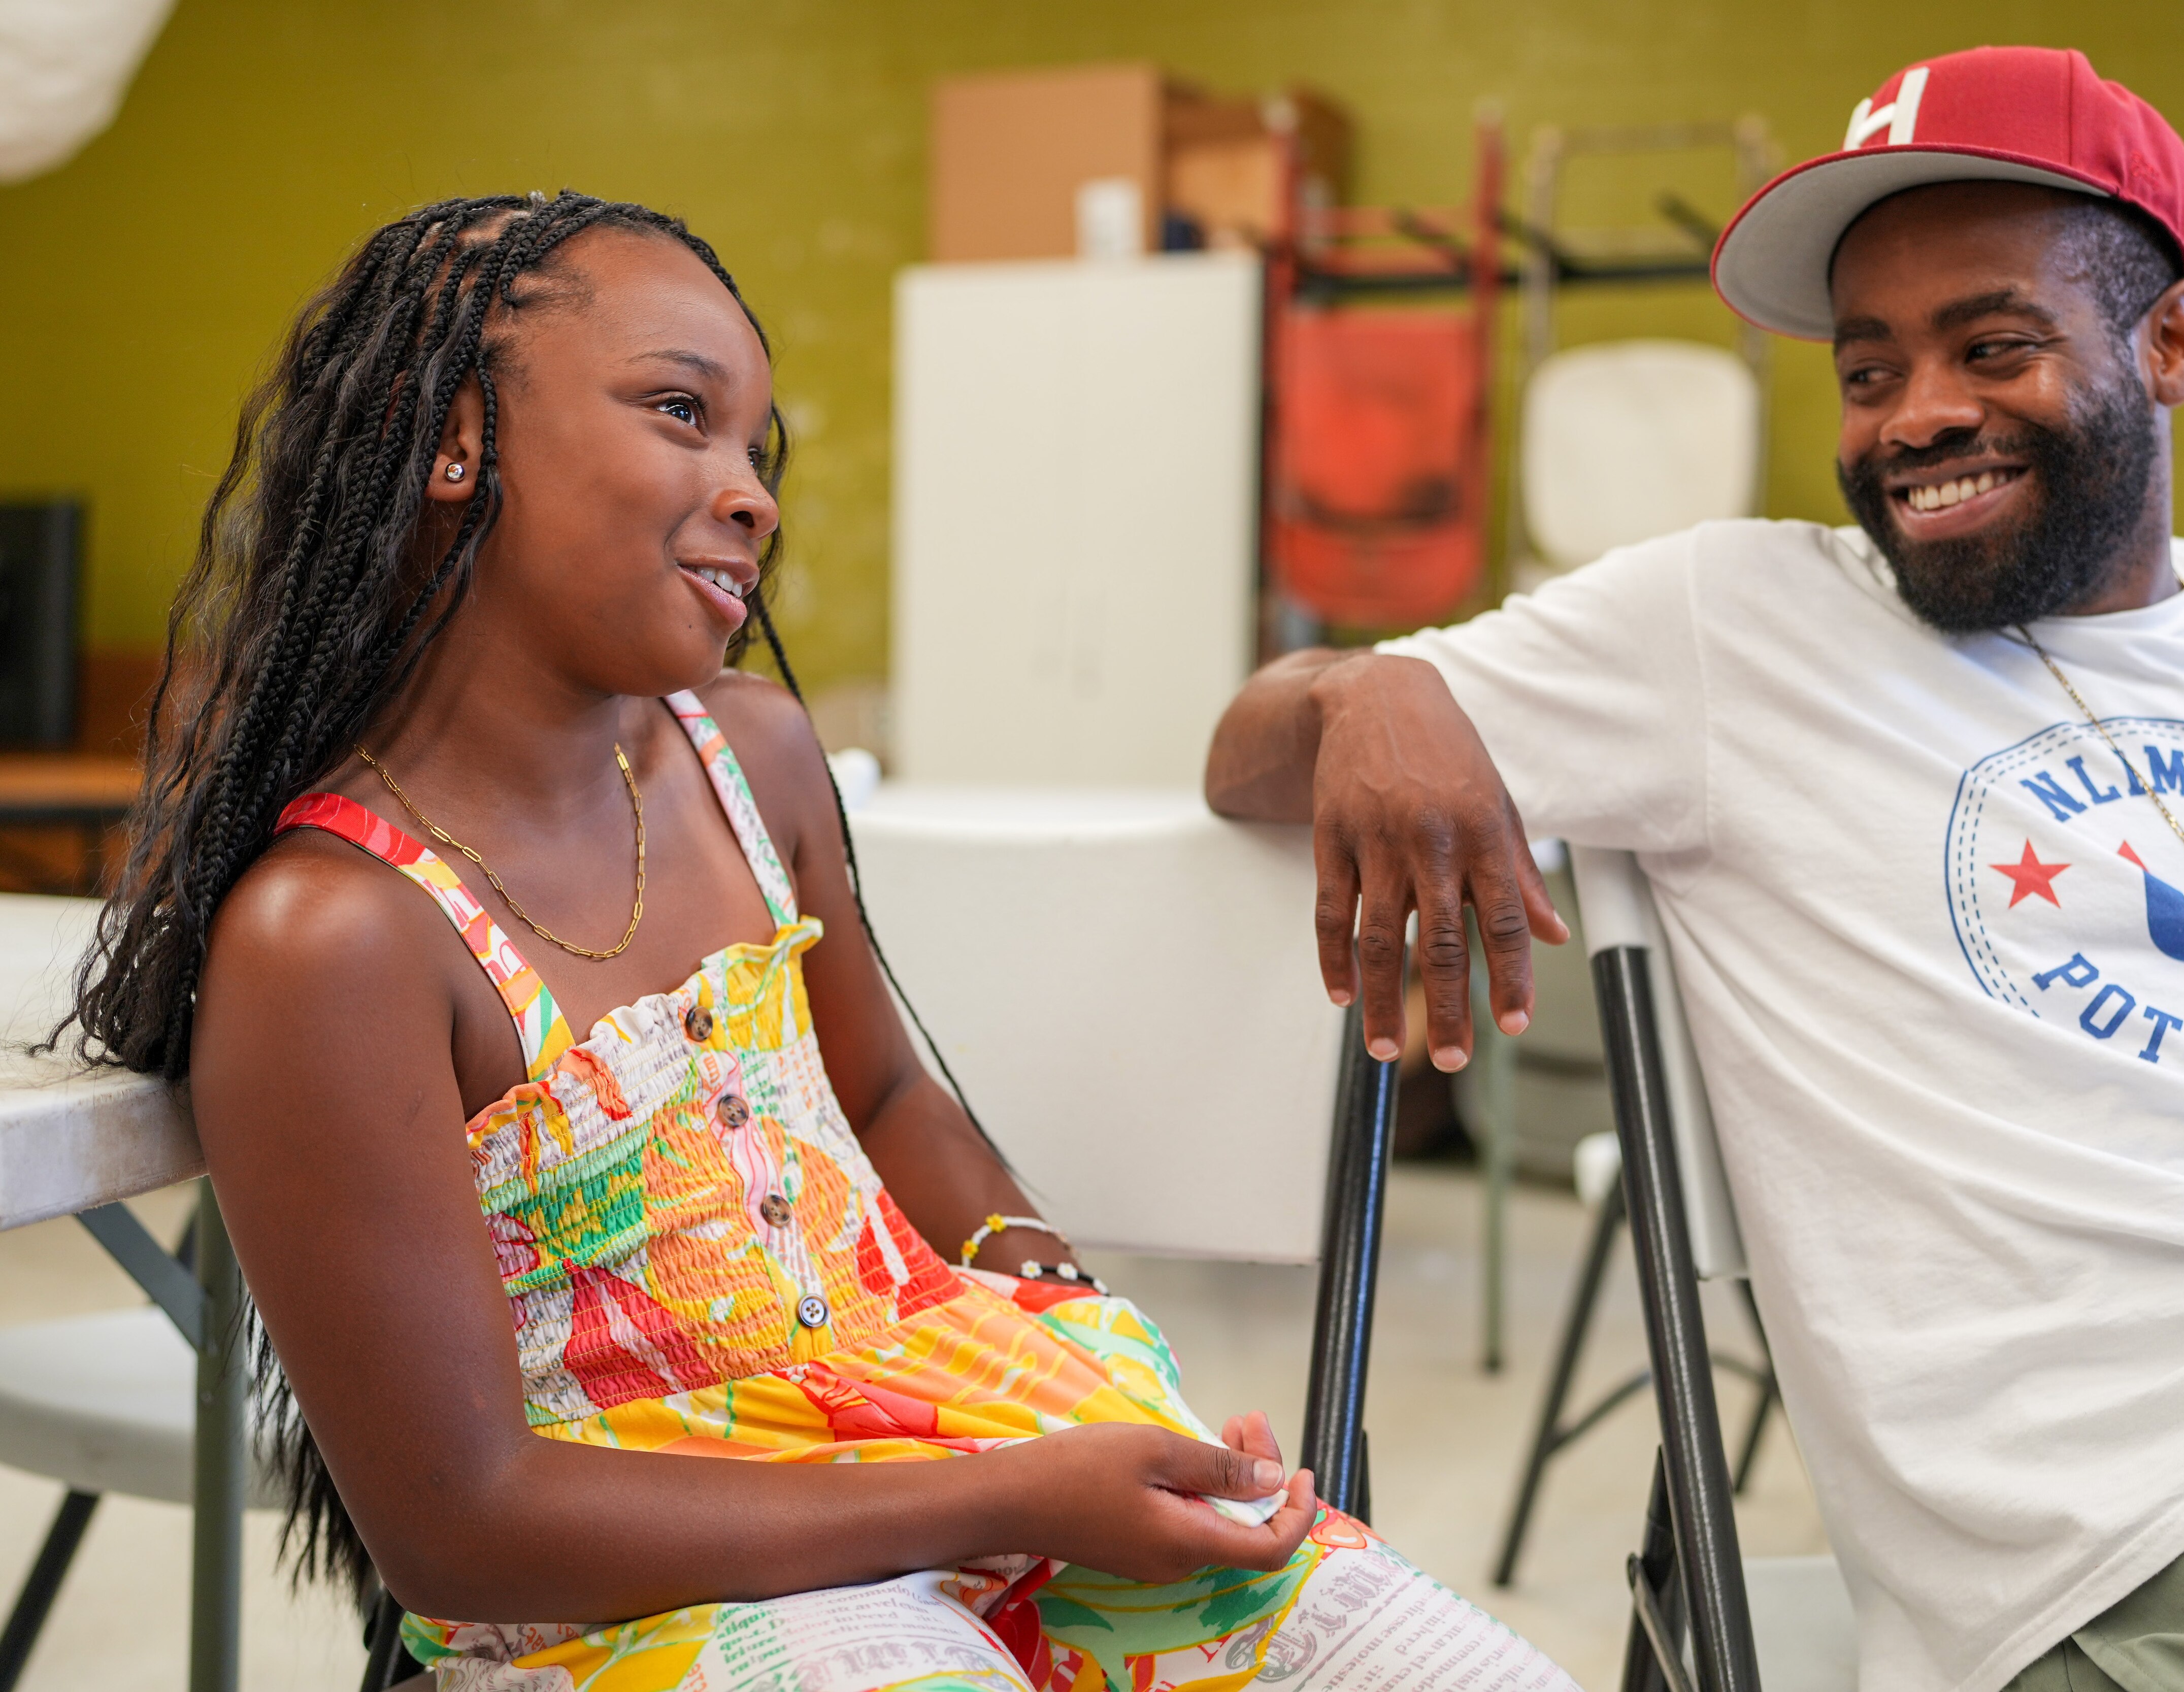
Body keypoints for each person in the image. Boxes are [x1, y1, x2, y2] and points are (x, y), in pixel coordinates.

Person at [64, 193, 1576, 1692]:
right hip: (628, 1576)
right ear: (452, 434)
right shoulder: (336, 934)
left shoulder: (750, 759)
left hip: (937, 1426)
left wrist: (1072, 1342)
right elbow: (462, 1527)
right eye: (680, 413)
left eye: (757, 451)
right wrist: (1008, 1495)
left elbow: (889, 1101)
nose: (752, 494)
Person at [1208, 46, 2184, 1692]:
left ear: (2171, 342)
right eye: (1866, 371)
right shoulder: (1733, 626)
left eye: (1993, 345)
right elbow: (1243, 749)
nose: (1918, 419)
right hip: (2143, 1553)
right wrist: (1379, 687)